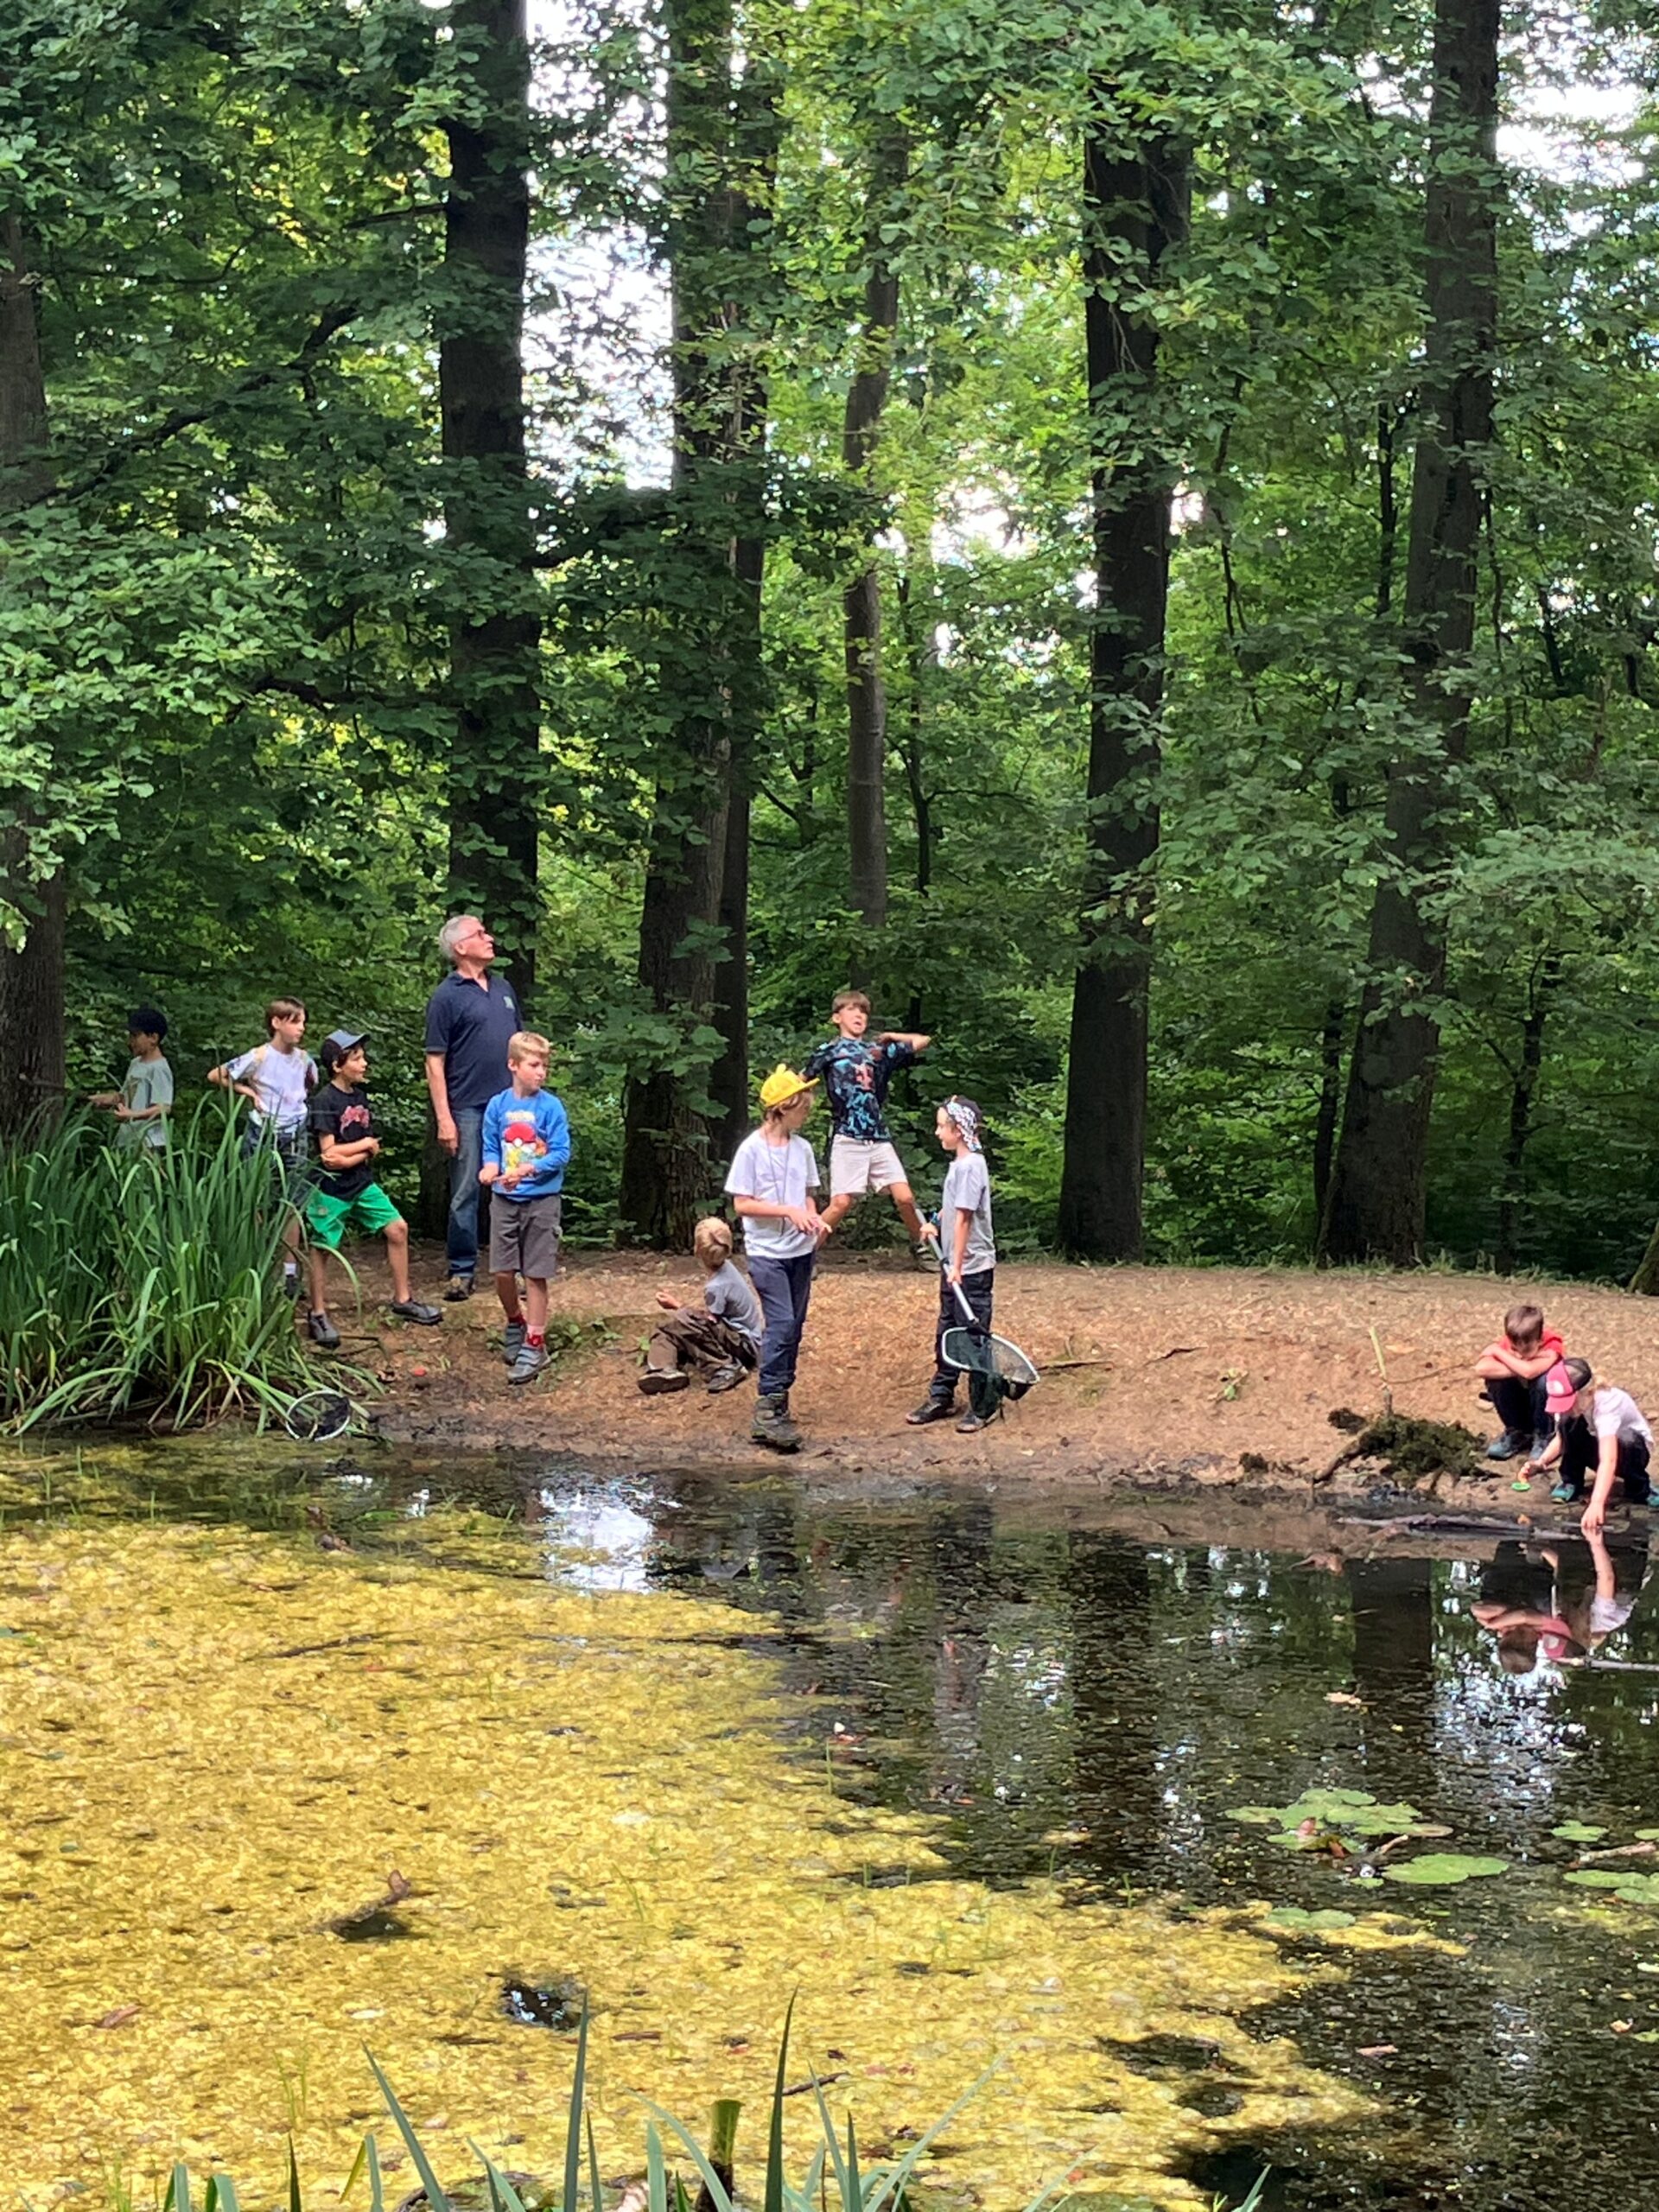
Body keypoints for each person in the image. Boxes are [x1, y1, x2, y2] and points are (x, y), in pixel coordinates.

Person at [303, 1030, 442, 1349]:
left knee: (398, 1229)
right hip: (331, 1190)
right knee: (322, 1247)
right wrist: (363, 1147)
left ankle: (403, 1299)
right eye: (357, 1058)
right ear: (338, 1065)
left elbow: (356, 1151)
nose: (365, 1063)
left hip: (363, 1183)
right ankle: (318, 1313)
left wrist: (357, 1151)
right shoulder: (325, 1100)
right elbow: (328, 1156)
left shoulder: (360, 1097)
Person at [724, 1066, 830, 1451]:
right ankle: (766, 1410)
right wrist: (789, 1212)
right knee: (781, 1324)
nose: (808, 1112)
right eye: (803, 1106)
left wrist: (811, 1217)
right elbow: (742, 1205)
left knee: (795, 1327)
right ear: (784, 1108)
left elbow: (806, 1195)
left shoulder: (802, 1149)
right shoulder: (751, 1150)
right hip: (766, 1253)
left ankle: (780, 1402)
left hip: (800, 1253)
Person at [423, 914, 524, 1302]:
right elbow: (435, 1062)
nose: (490, 937)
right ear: (460, 947)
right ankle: (462, 1270)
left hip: (509, 1108)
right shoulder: (446, 996)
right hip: (465, 1107)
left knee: (513, 1187)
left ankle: (509, 1269)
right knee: (465, 1189)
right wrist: (444, 1118)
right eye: (480, 933)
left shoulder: (503, 987)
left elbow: (520, 1046)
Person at [804, 989, 931, 1247]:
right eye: (851, 1009)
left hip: (878, 1136)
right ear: (837, 1018)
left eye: (862, 1011)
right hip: (848, 1134)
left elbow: (922, 1040)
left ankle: (922, 1245)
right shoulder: (828, 1051)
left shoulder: (877, 1051)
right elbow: (800, 1081)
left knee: (905, 1198)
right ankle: (804, 1253)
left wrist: (894, 1036)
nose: (859, 1015)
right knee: (841, 1202)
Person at [479, 1030, 571, 1386]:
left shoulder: (551, 1107)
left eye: (545, 1066)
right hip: (505, 1199)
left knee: (535, 1273)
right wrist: (491, 1168)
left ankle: (536, 1343)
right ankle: (515, 1321)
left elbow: (561, 1153)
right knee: (502, 1272)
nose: (541, 1072)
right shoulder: (498, 1106)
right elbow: (490, 1147)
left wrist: (529, 1169)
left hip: (542, 1199)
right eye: (534, 1065)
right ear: (513, 1065)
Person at [207, 997, 316, 1296]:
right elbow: (217, 1075)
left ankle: (290, 1275)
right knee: (256, 1200)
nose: (301, 1028)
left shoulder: (306, 1060)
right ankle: (257, 1267)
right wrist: (247, 1091)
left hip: (295, 1132)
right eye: (295, 1021)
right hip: (263, 1132)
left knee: (291, 1203)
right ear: (276, 1023)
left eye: (303, 1022)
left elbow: (308, 1087)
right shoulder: (258, 1057)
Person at [908, 1096, 997, 1434]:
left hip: (971, 1269)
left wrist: (957, 1267)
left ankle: (983, 1403)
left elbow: (964, 1219)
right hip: (953, 1268)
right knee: (946, 1331)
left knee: (973, 1335)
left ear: (958, 1130)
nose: (936, 1132)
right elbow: (952, 1209)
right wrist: (934, 1221)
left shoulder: (973, 1165)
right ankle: (941, 1395)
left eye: (942, 1126)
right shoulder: (958, 1166)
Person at [639, 1216, 763, 1396]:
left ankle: (725, 1366)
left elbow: (707, 1322)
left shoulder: (716, 1286)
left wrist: (677, 1306)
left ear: (697, 1250)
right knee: (666, 1329)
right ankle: (662, 1370)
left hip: (745, 1345)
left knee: (683, 1319)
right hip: (736, 1336)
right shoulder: (727, 1267)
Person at [1530, 1357, 1652, 1535]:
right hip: (1595, 1444)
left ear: (1587, 1393)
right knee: (1569, 1423)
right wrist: (1541, 1462)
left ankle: (1640, 1488)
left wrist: (1597, 1503)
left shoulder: (1608, 1404)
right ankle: (1571, 1480)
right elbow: (1561, 1439)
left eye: (1569, 1402)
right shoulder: (1571, 1410)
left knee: (1627, 1441)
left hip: (1630, 1452)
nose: (1564, 1408)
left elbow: (1609, 1459)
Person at [1473, 1301, 1565, 1461]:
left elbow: (1529, 1372)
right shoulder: (1511, 1341)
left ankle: (1544, 1435)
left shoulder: (1552, 1344)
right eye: (1516, 1348)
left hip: (1546, 1410)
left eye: (1527, 1348)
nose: (1521, 1353)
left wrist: (1499, 1353)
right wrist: (1522, 1363)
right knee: (1496, 1380)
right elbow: (1481, 1369)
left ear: (1540, 1339)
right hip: (1521, 1404)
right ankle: (1518, 1432)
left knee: (1543, 1380)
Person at [88, 1006, 173, 1154]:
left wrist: (131, 1115)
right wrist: (105, 1099)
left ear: (153, 1038)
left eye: (135, 1036)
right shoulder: (136, 1063)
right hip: (127, 1140)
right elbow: (125, 1096)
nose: (130, 1041)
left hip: (149, 1143)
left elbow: (164, 1108)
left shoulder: (159, 1068)